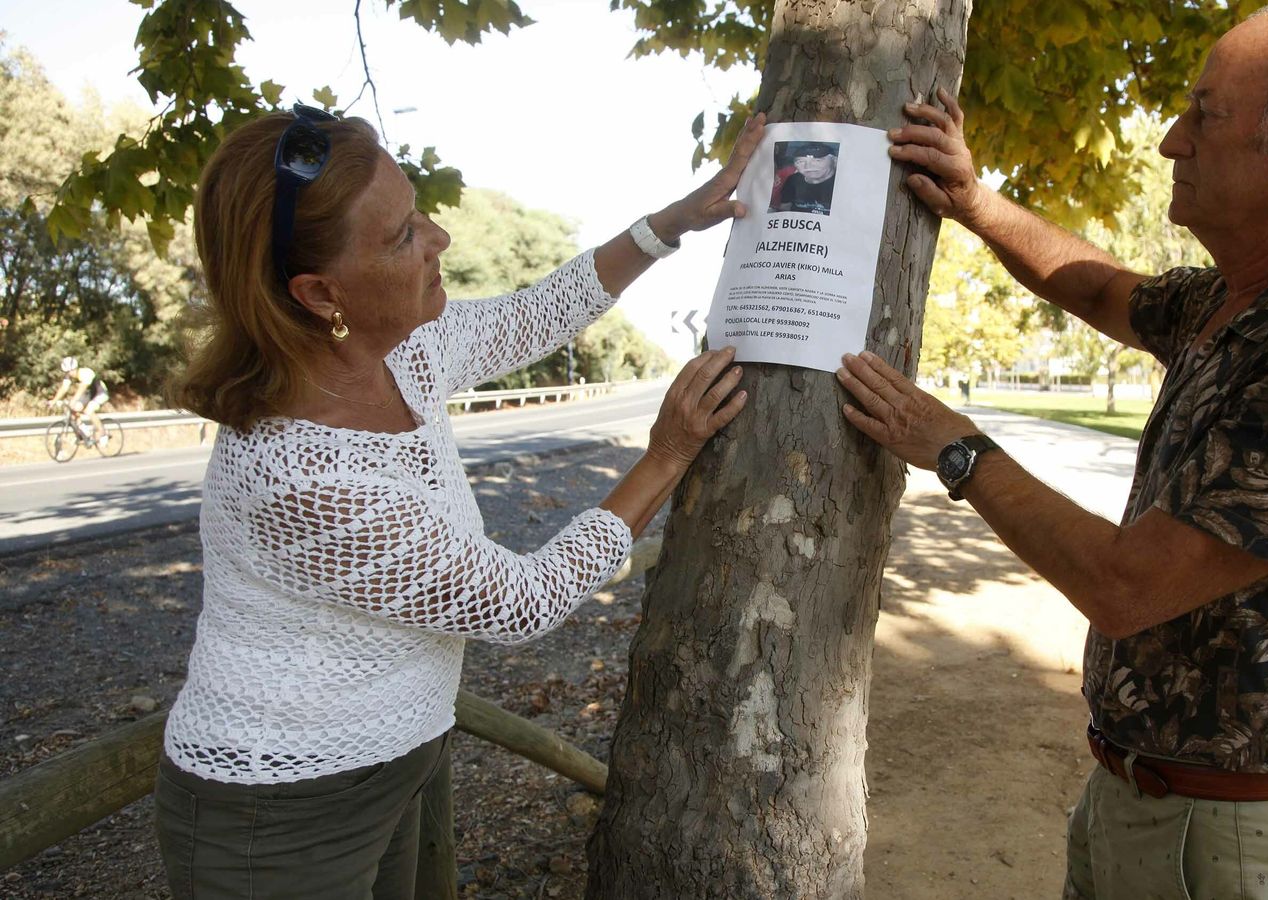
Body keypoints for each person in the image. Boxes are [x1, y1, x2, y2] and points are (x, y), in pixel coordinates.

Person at [847, 5, 1268, 898]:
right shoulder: (1251, 298)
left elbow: (1128, 586)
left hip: (1247, 843)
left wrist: (955, 448)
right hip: (1149, 806)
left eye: (1205, 114)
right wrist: (974, 201)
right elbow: (1104, 290)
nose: (1170, 143)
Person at [152, 102, 765, 899]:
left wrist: (673, 221)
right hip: (281, 814)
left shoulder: (403, 348)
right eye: (404, 234)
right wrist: (668, 456)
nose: (439, 237)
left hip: (397, 758)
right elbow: (520, 602)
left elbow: (536, 313)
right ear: (317, 291)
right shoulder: (298, 473)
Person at [49, 356, 111, 444]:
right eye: (67, 372)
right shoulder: (69, 376)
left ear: (75, 368)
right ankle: (85, 432)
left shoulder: (86, 373)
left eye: (71, 371)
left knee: (89, 410)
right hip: (89, 394)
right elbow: (64, 388)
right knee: (73, 409)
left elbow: (82, 388)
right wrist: (54, 401)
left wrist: (73, 400)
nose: (70, 374)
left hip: (101, 393)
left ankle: (103, 433)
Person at [774, 142, 838, 215]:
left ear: (835, 161)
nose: (808, 167)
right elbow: (784, 209)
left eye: (817, 160)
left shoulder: (844, 183)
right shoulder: (793, 180)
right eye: (801, 161)